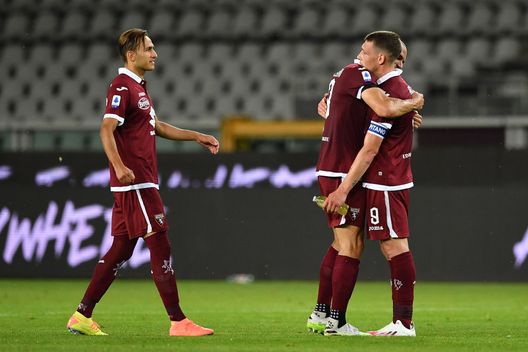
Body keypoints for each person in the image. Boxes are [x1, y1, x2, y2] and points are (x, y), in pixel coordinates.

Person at [66, 28, 219, 337]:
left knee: (121, 249)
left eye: (154, 48)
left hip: (137, 182)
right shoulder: (122, 87)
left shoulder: (138, 88)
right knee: (160, 242)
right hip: (136, 182)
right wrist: (120, 166)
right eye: (149, 48)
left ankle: (81, 316)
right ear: (131, 55)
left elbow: (157, 125)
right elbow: (106, 129)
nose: (155, 53)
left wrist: (196, 135)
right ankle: (178, 321)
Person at [307, 31, 424, 336]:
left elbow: (373, 142)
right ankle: (332, 320)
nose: (359, 55)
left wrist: (406, 106)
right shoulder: (379, 87)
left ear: (381, 58)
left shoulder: (386, 88)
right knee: (349, 244)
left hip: (383, 179)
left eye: (364, 50)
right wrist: (411, 103)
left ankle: (401, 323)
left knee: (385, 245)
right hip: (357, 175)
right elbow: (380, 109)